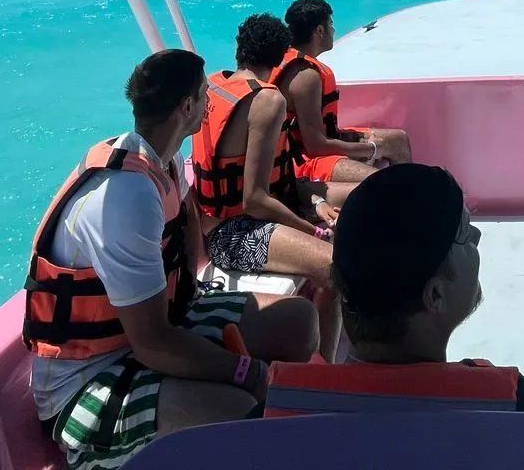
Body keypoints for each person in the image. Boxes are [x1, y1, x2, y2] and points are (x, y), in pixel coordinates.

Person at [25, 48, 319, 470]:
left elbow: (185, 231)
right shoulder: (125, 196)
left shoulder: (164, 161)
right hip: (88, 379)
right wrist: (246, 371)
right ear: (187, 106)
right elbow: (152, 343)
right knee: (238, 408)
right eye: (205, 96)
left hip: (160, 327)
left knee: (299, 321)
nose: (210, 105)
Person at [263, 163, 524, 416]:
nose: (478, 238)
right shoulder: (522, 409)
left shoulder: (275, 408)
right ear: (434, 295)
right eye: (465, 235)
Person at [192, 13, 343, 359]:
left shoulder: (215, 85)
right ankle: (325, 372)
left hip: (218, 223)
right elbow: (256, 200)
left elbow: (273, 181)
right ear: (280, 58)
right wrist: (312, 231)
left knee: (338, 223)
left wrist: (315, 205)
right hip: (233, 234)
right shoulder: (267, 101)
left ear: (239, 50)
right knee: (337, 268)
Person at [270, 0, 412, 188]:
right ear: (320, 31)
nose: (334, 30)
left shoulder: (296, 62)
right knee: (384, 181)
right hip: (299, 162)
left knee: (398, 140)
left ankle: (411, 203)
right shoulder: (305, 76)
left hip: (317, 145)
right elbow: (315, 147)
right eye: (331, 24)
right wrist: (371, 149)